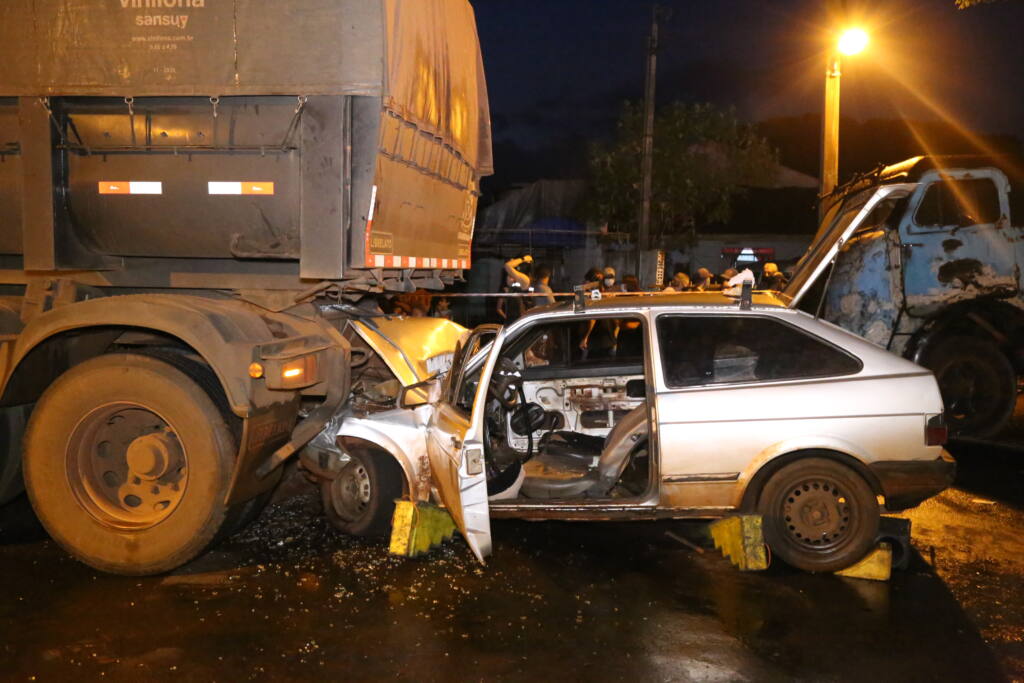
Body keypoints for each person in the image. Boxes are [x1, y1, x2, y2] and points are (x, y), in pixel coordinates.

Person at [497, 255, 532, 322]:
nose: (510, 278)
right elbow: (499, 308)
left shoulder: (524, 282)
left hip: (523, 321)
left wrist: (523, 259)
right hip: (511, 322)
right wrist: (506, 318)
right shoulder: (505, 289)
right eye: (508, 276)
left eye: (511, 275)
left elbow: (508, 266)